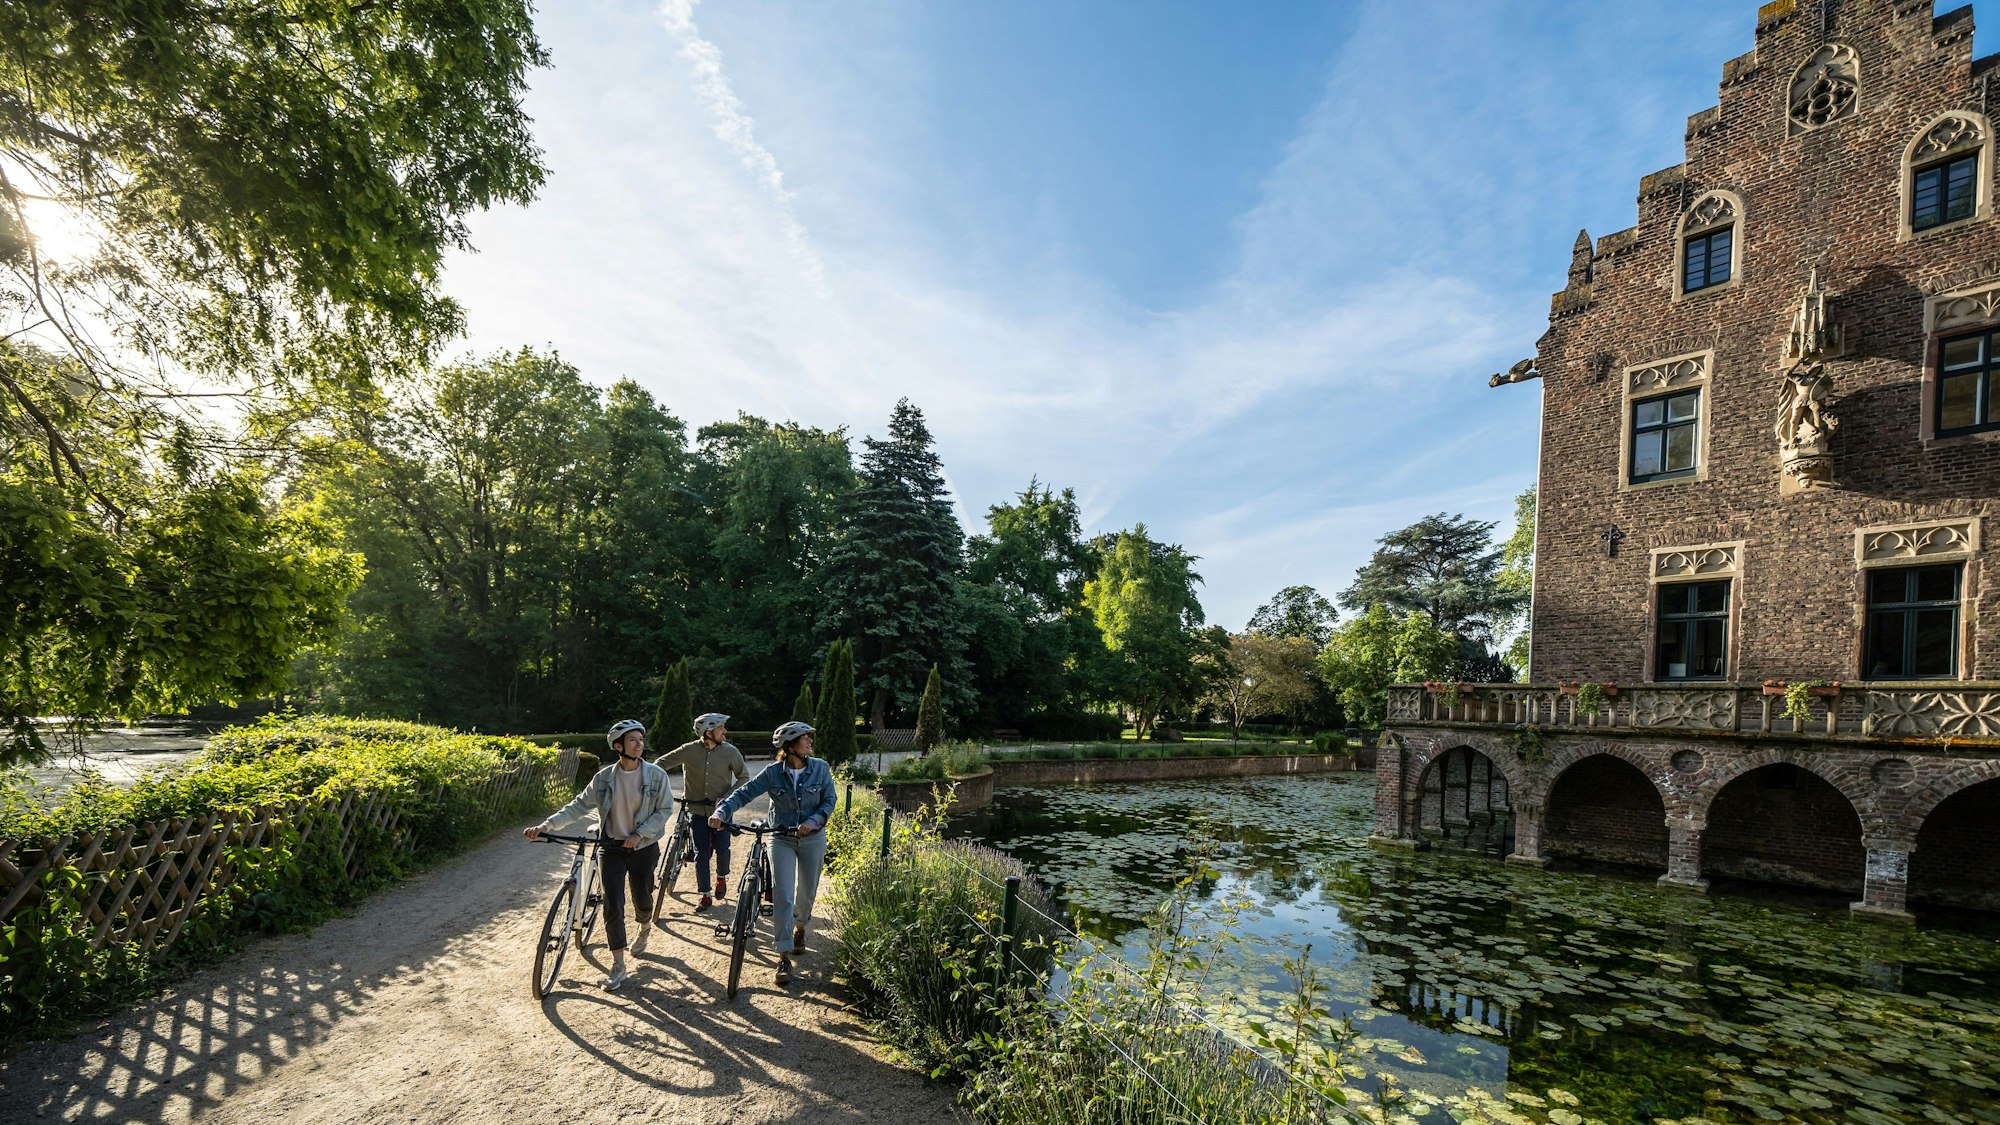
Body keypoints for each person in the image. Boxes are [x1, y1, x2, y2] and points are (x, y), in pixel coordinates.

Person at [525, 719, 672, 991]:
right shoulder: (604, 778)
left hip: (643, 848)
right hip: (610, 848)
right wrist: (547, 825)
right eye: (633, 740)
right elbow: (578, 805)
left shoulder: (656, 775)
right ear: (618, 746)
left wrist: (639, 834)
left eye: (641, 739)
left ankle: (644, 926)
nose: (640, 744)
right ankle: (618, 965)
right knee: (611, 904)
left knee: (642, 897)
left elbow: (664, 811)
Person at [709, 720, 835, 986]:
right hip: (782, 838)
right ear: (790, 746)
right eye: (805, 738)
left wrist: (813, 821)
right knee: (783, 894)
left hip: (813, 838)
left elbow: (829, 800)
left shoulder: (820, 768)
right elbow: (743, 793)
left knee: (806, 892)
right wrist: (722, 812)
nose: (810, 742)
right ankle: (783, 955)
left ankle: (801, 927)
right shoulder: (772, 773)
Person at [655, 712, 748, 911]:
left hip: (722, 812)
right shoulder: (688, 750)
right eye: (721, 728)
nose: (725, 731)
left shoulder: (730, 752)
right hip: (696, 811)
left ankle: (721, 877)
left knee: (722, 849)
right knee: (701, 854)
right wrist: (658, 787)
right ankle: (705, 895)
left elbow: (743, 777)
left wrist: (727, 798)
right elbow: (659, 765)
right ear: (708, 731)